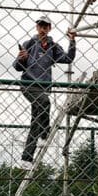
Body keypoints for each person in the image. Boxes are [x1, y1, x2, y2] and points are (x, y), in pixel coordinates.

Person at [13, 15, 76, 166]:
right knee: (45, 102)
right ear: (37, 27)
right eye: (40, 26)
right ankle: (44, 133)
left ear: (49, 28)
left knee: (36, 120)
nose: (42, 29)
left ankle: (26, 158)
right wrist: (22, 58)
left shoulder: (53, 47)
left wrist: (72, 41)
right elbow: (16, 67)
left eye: (45, 26)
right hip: (28, 84)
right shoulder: (29, 44)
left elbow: (68, 59)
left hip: (44, 86)